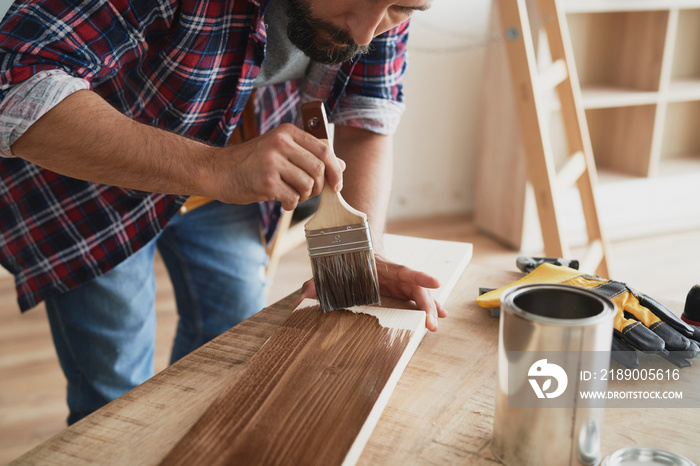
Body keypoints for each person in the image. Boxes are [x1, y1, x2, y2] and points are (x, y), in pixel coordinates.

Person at [0, 0, 445, 425]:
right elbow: (14, 85)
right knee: (114, 395)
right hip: (89, 184)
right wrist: (212, 167)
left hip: (234, 175)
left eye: (401, 9)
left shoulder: (373, 14)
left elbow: (365, 115)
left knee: (232, 357)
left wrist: (359, 252)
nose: (365, 31)